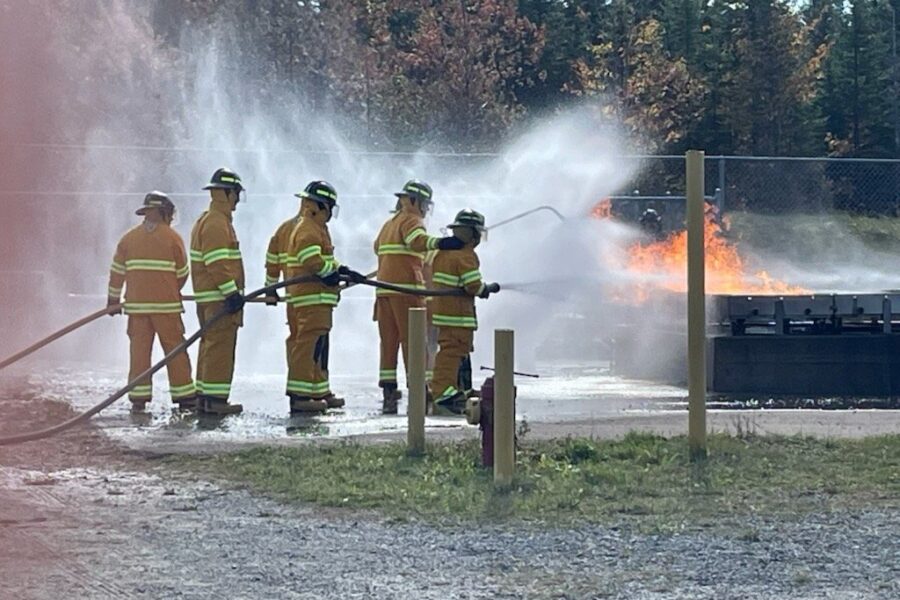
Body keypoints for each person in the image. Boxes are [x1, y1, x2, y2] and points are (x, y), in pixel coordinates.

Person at [372, 180, 464, 414]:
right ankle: (420, 386)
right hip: (406, 289)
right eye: (423, 203)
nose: (425, 209)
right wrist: (442, 243)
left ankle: (389, 387)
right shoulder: (412, 219)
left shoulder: (388, 224)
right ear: (413, 201)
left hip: (384, 290)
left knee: (389, 341)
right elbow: (418, 241)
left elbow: (378, 248)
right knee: (413, 340)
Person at [107, 192, 195, 412]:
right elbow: (183, 272)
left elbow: (117, 272)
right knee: (175, 351)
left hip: (137, 308)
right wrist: (170, 290)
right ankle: (185, 398)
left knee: (139, 353)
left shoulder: (128, 238)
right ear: (164, 212)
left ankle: (139, 399)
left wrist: (113, 300)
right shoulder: (173, 238)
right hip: (166, 307)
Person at [285, 180, 365, 413]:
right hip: (311, 298)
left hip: (319, 300)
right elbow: (311, 259)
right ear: (320, 206)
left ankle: (318, 391)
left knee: (319, 348)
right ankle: (300, 396)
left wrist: (342, 270)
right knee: (307, 347)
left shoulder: (318, 228)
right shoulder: (308, 228)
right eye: (329, 207)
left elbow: (325, 259)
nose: (330, 214)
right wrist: (329, 274)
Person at [428, 209, 500, 415]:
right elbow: (472, 285)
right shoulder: (466, 256)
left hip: (445, 312)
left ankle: (457, 388)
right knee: (452, 352)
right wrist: (485, 289)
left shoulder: (443, 254)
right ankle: (443, 391)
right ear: (471, 234)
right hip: (458, 315)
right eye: (478, 234)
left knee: (454, 351)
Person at [189, 167, 246, 415]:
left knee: (210, 346)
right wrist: (231, 292)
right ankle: (214, 401)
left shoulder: (209, 219)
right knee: (220, 349)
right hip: (219, 298)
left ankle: (204, 397)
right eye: (236, 194)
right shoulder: (216, 223)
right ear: (228, 193)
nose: (237, 201)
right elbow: (217, 263)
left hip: (212, 297)